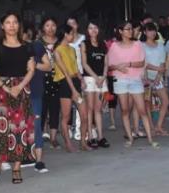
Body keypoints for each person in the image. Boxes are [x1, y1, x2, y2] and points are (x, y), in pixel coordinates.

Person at [0, 13, 36, 184]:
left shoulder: (27, 46)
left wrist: (19, 87)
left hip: (22, 88)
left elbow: (31, 69)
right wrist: (6, 87)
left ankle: (16, 168)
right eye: (8, 22)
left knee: (20, 128)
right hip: (2, 88)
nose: (12, 25)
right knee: (1, 128)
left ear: (19, 25)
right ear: (2, 25)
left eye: (15, 22)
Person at [107, 21, 159, 149]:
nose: (130, 31)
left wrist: (128, 64)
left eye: (131, 29)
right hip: (120, 80)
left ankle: (150, 139)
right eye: (127, 29)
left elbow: (141, 63)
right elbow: (109, 65)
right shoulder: (114, 46)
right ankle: (130, 138)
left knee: (142, 110)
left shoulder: (137, 44)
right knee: (125, 110)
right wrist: (118, 67)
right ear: (121, 31)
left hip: (135, 80)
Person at [53, 24, 91, 152]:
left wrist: (81, 80)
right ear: (65, 34)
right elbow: (65, 72)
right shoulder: (57, 51)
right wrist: (74, 90)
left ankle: (83, 142)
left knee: (84, 115)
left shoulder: (72, 49)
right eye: (72, 34)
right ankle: (68, 144)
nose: (73, 36)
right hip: (65, 83)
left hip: (75, 81)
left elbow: (76, 68)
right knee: (66, 116)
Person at [80, 20, 110, 148]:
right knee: (90, 108)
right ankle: (90, 137)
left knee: (99, 109)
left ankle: (100, 137)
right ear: (87, 30)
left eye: (95, 27)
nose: (93, 30)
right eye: (90, 28)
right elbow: (84, 64)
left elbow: (106, 63)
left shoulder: (103, 44)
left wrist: (103, 76)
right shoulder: (84, 44)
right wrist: (95, 77)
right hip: (89, 79)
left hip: (101, 79)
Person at [28, 25, 52, 172]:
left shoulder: (36, 46)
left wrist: (34, 64)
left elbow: (48, 66)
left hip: (35, 91)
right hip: (16, 92)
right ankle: (23, 156)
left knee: (36, 125)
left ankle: (38, 160)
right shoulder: (8, 47)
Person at [142, 23, 169, 136]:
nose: (152, 33)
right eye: (149, 30)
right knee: (147, 103)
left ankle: (159, 126)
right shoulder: (141, 46)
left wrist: (158, 76)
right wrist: (156, 70)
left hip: (158, 78)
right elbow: (143, 63)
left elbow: (162, 63)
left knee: (166, 101)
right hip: (145, 78)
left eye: (154, 30)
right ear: (145, 32)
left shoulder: (161, 46)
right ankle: (151, 127)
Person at [39, 18, 61, 149]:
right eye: (47, 25)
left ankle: (53, 138)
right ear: (43, 27)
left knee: (55, 109)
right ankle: (39, 137)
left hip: (57, 78)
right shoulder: (38, 43)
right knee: (41, 109)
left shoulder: (60, 42)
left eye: (53, 25)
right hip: (42, 78)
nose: (50, 28)